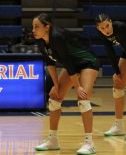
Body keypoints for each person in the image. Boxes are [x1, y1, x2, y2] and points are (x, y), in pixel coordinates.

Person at [32, 13, 99, 154]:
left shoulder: (57, 37)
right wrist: (55, 86)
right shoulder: (40, 40)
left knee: (83, 98)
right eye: (33, 27)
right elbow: (50, 64)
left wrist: (78, 86)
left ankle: (89, 143)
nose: (33, 30)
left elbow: (68, 63)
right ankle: (53, 141)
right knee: (55, 98)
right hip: (72, 66)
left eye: (36, 26)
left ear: (47, 27)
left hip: (87, 62)